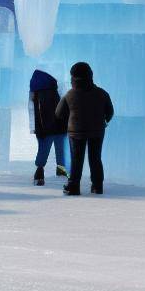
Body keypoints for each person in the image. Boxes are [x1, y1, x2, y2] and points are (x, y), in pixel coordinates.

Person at [56, 62, 114, 196]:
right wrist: (104, 121)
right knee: (95, 158)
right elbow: (110, 112)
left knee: (76, 159)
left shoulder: (69, 95)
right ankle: (97, 186)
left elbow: (59, 113)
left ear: (73, 78)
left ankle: (74, 186)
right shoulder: (102, 93)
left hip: (75, 131)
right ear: (90, 76)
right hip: (97, 131)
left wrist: (69, 121)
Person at [29, 70, 68, 186]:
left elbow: (37, 114)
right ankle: (61, 172)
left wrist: (38, 129)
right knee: (61, 149)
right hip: (59, 127)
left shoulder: (37, 94)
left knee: (43, 150)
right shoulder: (55, 92)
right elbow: (63, 110)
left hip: (45, 128)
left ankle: (39, 173)